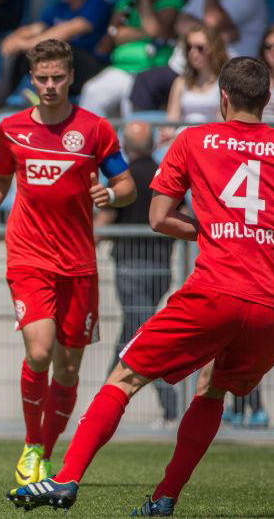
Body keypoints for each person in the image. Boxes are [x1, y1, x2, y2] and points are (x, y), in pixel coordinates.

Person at [8, 56, 274, 516]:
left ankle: (65, 479)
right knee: (212, 388)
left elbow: (157, 218)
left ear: (222, 98)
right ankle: (164, 498)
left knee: (124, 377)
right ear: (268, 99)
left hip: (214, 293)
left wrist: (209, 229)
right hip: (272, 307)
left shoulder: (192, 140)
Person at [0, 39, 136, 487]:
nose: (50, 86)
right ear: (32, 78)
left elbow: (128, 185)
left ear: (71, 77)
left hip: (79, 263)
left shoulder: (96, 129)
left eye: (58, 77)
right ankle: (31, 445)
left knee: (68, 369)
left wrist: (113, 194)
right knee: (39, 352)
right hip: (29, 256)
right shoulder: (11, 129)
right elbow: (1, 178)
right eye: (42, 78)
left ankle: (46, 448)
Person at [94, 121, 178, 426]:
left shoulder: (124, 180)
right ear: (153, 143)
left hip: (130, 267)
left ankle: (174, 409)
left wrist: (84, 245)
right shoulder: (164, 174)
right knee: (131, 333)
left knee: (142, 337)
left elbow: (104, 220)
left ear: (126, 146)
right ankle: (101, 407)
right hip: (161, 267)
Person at [0, 0, 110, 121]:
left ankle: (49, 101)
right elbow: (35, 28)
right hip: (63, 70)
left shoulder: (96, 5)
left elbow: (65, 32)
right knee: (22, 53)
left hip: (91, 70)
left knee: (57, 52)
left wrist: (22, 44)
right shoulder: (59, 8)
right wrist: (13, 38)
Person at [129, 0, 266, 113]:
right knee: (145, 82)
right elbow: (180, 24)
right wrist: (216, 33)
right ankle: (140, 136)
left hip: (229, 72)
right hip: (187, 67)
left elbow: (213, 19)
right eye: (191, 46)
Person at [79, 0, 184, 117]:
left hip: (149, 71)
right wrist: (146, 33)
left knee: (130, 102)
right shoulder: (125, 2)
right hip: (120, 68)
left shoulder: (171, 0)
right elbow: (113, 35)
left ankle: (131, 137)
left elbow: (155, 30)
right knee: (92, 90)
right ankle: (89, 136)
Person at [159, 25, 227, 145]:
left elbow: (221, 125)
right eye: (189, 47)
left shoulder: (224, 83)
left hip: (209, 143)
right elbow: (170, 123)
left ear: (213, 48)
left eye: (200, 48)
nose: (193, 52)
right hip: (180, 142)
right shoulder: (180, 82)